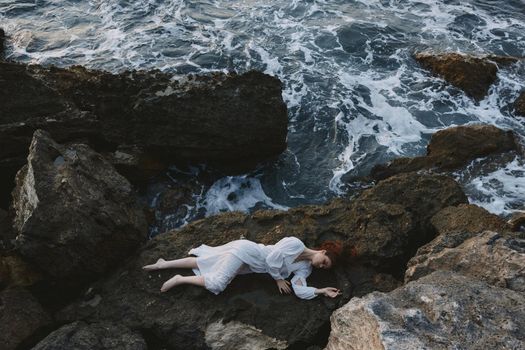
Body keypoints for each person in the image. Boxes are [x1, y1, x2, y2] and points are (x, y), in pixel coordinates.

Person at [143, 236, 342, 299]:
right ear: (322, 251)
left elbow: (298, 288)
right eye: (324, 261)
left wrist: (321, 291)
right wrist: (278, 278)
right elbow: (273, 257)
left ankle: (164, 263)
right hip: (249, 252)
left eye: (324, 268)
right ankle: (180, 279)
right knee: (218, 283)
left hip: (251, 266)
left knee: (207, 262)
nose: (321, 266)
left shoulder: (305, 269)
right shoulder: (295, 243)